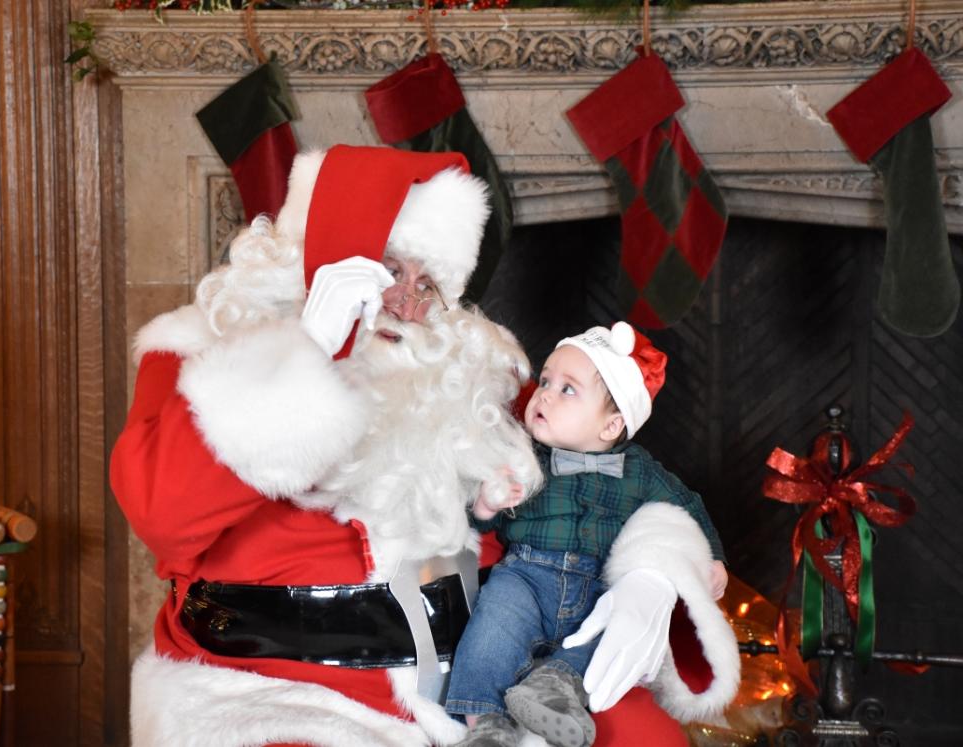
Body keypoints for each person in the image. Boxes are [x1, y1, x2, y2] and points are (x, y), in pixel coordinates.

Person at [111, 145, 738, 746]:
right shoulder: (195, 354)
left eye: (427, 283)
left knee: (645, 736)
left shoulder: (473, 381)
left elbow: (612, 476)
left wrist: (652, 571)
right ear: (322, 265)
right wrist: (303, 352)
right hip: (270, 688)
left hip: (478, 677)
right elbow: (161, 516)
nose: (406, 302)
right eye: (387, 269)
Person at [446, 322, 735, 747]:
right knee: (493, 626)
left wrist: (712, 558)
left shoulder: (640, 472)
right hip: (524, 575)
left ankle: (552, 688)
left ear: (610, 425)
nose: (543, 393)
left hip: (597, 586)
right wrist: (487, 504)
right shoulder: (520, 456)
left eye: (567, 389)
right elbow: (481, 522)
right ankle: (486, 725)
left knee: (610, 634)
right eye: (545, 380)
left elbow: (685, 508)